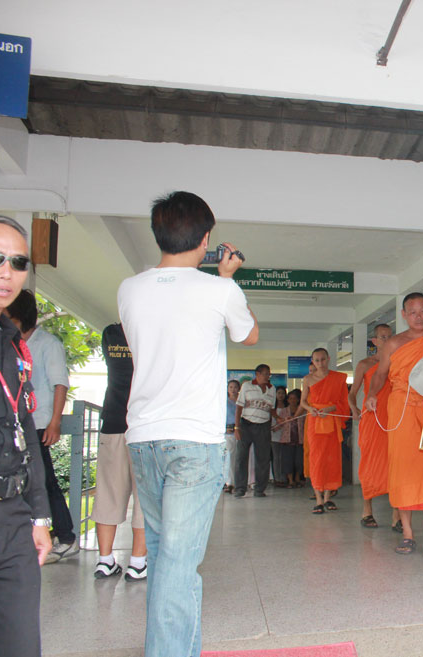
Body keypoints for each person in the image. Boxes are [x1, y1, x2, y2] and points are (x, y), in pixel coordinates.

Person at [118, 191, 258, 657]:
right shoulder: (220, 289)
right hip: (194, 442)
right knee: (179, 562)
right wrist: (226, 277)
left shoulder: (128, 288)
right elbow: (249, 334)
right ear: (205, 240)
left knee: (160, 552)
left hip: (143, 438)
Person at [0, 215, 52, 657]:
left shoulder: (10, 342)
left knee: (19, 644)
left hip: (11, 518)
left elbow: (24, 429)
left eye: (17, 261)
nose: (6, 271)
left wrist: (40, 515)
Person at [367, 292, 423, 563]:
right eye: (412, 312)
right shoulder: (393, 344)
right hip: (401, 409)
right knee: (403, 469)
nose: (418, 317)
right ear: (404, 315)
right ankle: (407, 533)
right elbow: (381, 374)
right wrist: (372, 393)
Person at [5, 289, 77, 562]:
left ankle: (66, 536)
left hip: (38, 424)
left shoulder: (48, 344)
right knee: (25, 483)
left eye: (9, 316)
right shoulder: (8, 344)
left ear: (20, 317)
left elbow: (60, 384)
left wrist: (55, 422)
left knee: (44, 482)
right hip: (16, 427)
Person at [91, 322, 147, 581]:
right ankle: (137, 563)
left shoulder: (110, 334)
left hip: (112, 422)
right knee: (144, 496)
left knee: (108, 492)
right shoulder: (150, 331)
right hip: (143, 425)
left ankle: (105, 560)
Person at [348, 323, 398, 529]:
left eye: (389, 337)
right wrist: (353, 409)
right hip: (372, 419)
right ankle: (367, 509)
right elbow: (352, 394)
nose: (385, 340)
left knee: (395, 465)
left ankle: (397, 516)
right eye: (382, 337)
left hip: (393, 420)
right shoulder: (364, 364)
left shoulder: (397, 363)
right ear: (375, 341)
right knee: (369, 462)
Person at [301, 348, 349, 514]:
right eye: (316, 360)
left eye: (322, 359)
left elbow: (344, 401)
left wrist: (331, 408)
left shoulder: (338, 378)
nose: (320, 363)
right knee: (316, 458)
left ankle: (328, 497)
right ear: (312, 361)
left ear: (328, 359)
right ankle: (318, 499)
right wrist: (311, 409)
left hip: (331, 420)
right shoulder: (307, 379)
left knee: (331, 458)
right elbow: (303, 403)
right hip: (315, 422)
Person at [234, 364, 276, 498]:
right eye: (265, 374)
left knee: (263, 459)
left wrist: (279, 418)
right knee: (241, 457)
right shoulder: (247, 386)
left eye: (269, 374)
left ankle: (259, 489)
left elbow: (271, 409)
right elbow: (239, 407)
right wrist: (237, 427)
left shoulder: (272, 389)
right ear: (257, 374)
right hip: (246, 425)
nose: (267, 376)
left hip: (263, 426)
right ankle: (240, 488)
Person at [271, 385, 291, 488]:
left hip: (285, 434)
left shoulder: (287, 406)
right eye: (278, 393)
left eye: (282, 393)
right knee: (276, 457)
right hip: (274, 434)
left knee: (284, 457)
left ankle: (284, 477)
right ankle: (277, 478)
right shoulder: (272, 407)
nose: (280, 395)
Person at [223, 379, 240, 494]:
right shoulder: (224, 402)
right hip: (228, 433)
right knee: (229, 457)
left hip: (240, 432)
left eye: (235, 387)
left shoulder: (241, 402)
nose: (233, 390)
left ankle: (240, 482)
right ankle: (229, 483)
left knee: (239, 458)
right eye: (231, 387)